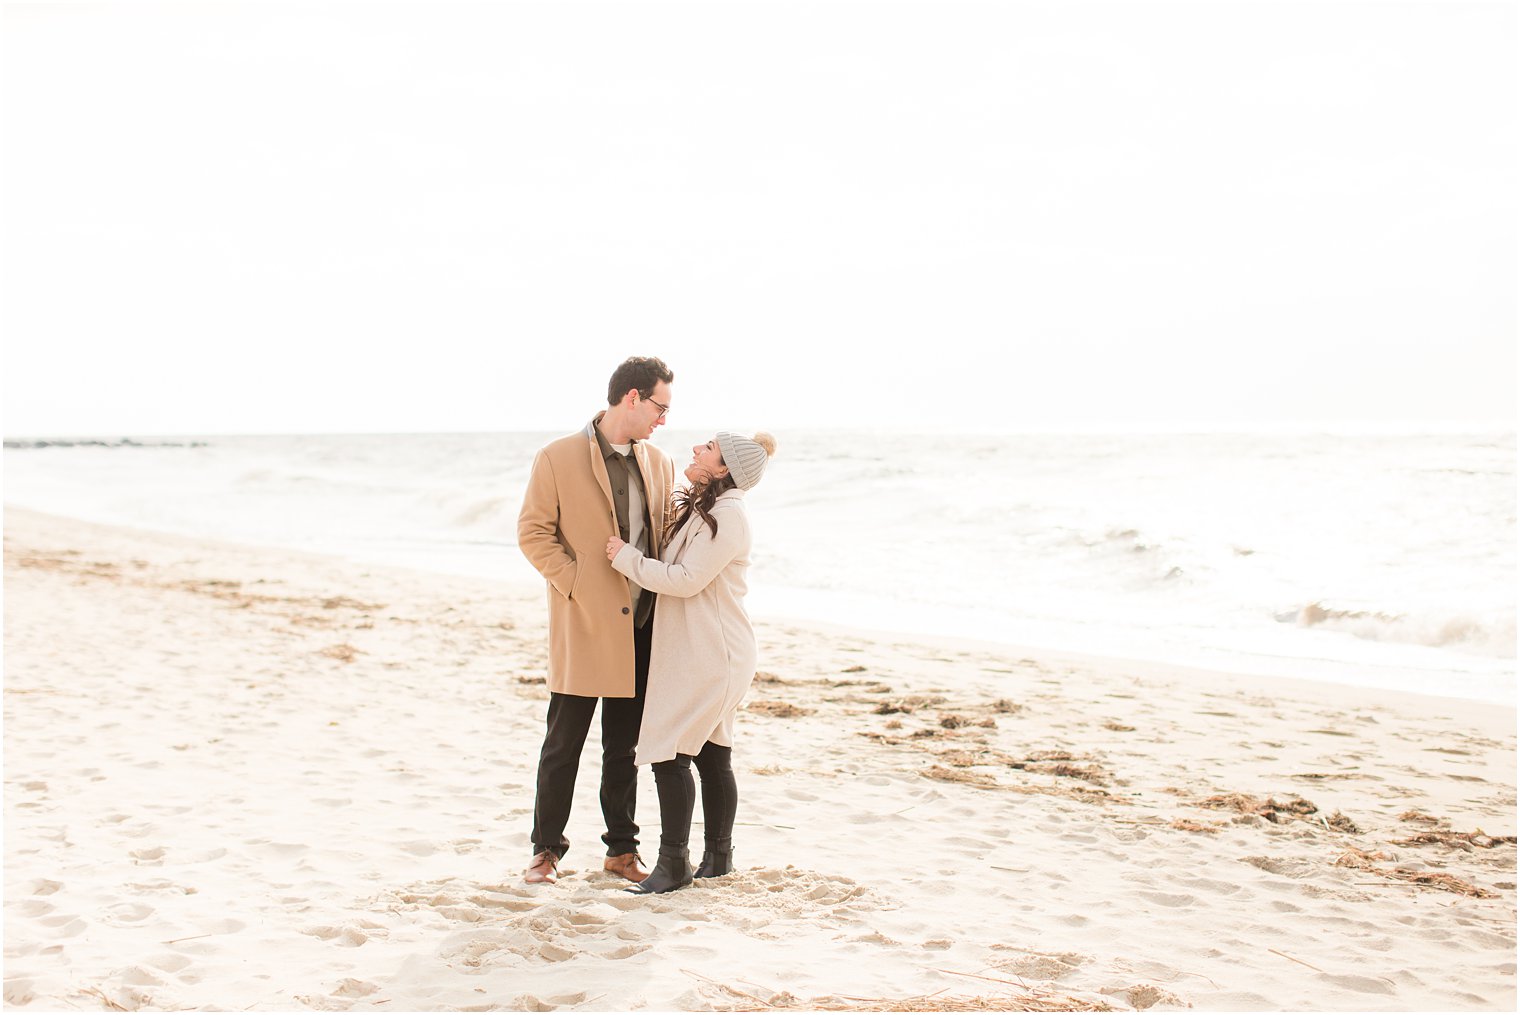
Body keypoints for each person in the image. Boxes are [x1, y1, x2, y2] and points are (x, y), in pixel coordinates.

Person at [517, 356, 677, 885]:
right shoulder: (557, 457)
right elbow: (533, 533)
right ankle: (545, 851)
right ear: (631, 397)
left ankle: (621, 851)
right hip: (584, 623)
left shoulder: (660, 462)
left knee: (624, 748)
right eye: (659, 406)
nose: (662, 419)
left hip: (644, 625)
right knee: (563, 742)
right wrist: (575, 583)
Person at [604, 430, 776, 894]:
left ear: (724, 470)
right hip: (707, 649)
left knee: (669, 751)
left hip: (714, 653)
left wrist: (626, 559)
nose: (698, 448)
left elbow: (685, 580)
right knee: (713, 754)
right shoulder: (707, 510)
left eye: (709, 449)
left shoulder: (730, 516)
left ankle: (673, 864)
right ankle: (718, 859)